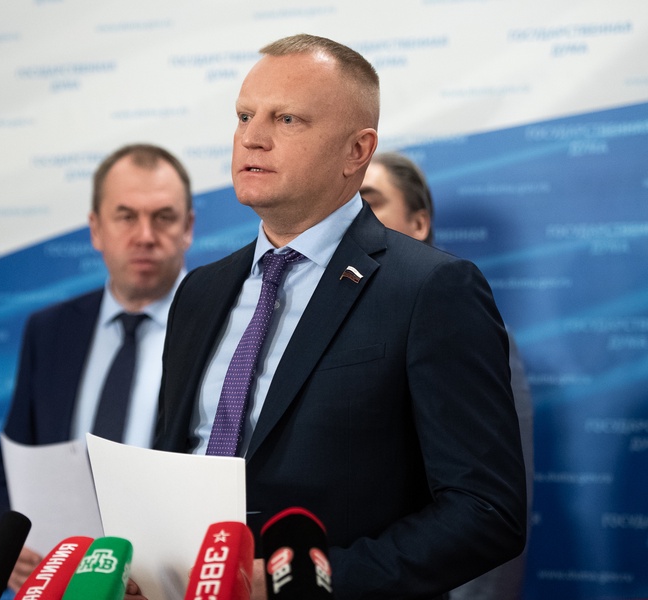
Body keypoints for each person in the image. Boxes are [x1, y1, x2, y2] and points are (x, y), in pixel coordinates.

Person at [152, 34, 526, 600]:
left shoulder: (430, 289)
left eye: (287, 119)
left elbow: (485, 510)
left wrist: (305, 583)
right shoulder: (199, 292)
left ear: (357, 150)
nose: (252, 137)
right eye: (245, 116)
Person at [0, 143, 194, 592]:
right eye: (125, 216)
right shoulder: (50, 331)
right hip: (59, 582)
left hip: (164, 585)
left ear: (188, 228)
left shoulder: (221, 326)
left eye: (163, 217)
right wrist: (8, 544)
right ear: (96, 229)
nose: (145, 235)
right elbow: (9, 466)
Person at [361, 151, 534, 600]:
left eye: (371, 201)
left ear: (419, 223)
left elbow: (488, 506)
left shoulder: (464, 324)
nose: (355, 217)